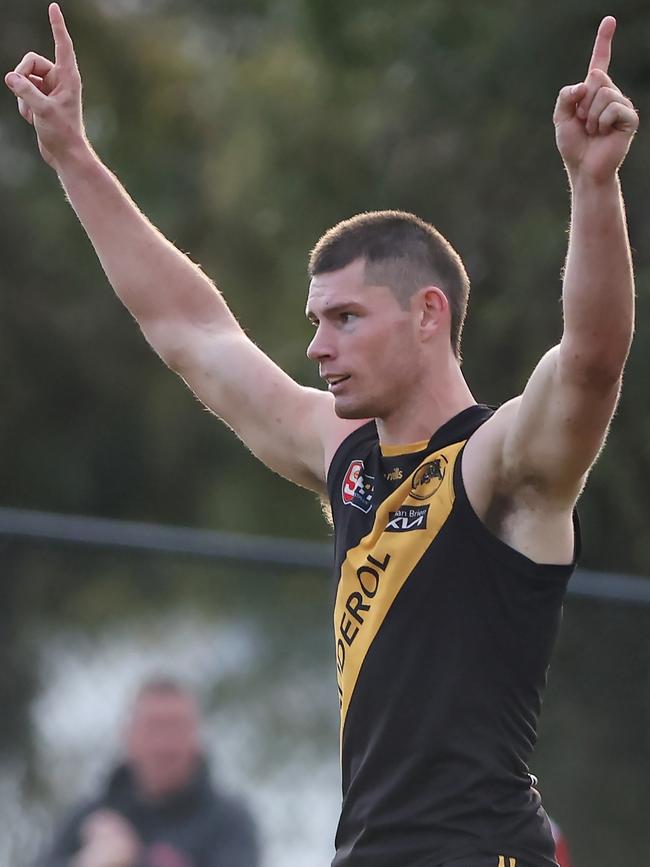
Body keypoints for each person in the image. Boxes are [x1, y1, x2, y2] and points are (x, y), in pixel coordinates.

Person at [6, 6, 637, 867]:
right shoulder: (345, 458)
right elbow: (192, 330)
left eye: (345, 317)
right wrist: (73, 155)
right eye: (314, 320)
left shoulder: (497, 464)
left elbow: (592, 363)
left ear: (428, 314)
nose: (316, 347)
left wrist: (594, 184)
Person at [35, 677, 260, 867]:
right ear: (128, 736)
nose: (164, 744)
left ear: (197, 738)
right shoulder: (87, 818)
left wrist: (133, 860)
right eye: (153, 727)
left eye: (176, 727)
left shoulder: (228, 822)